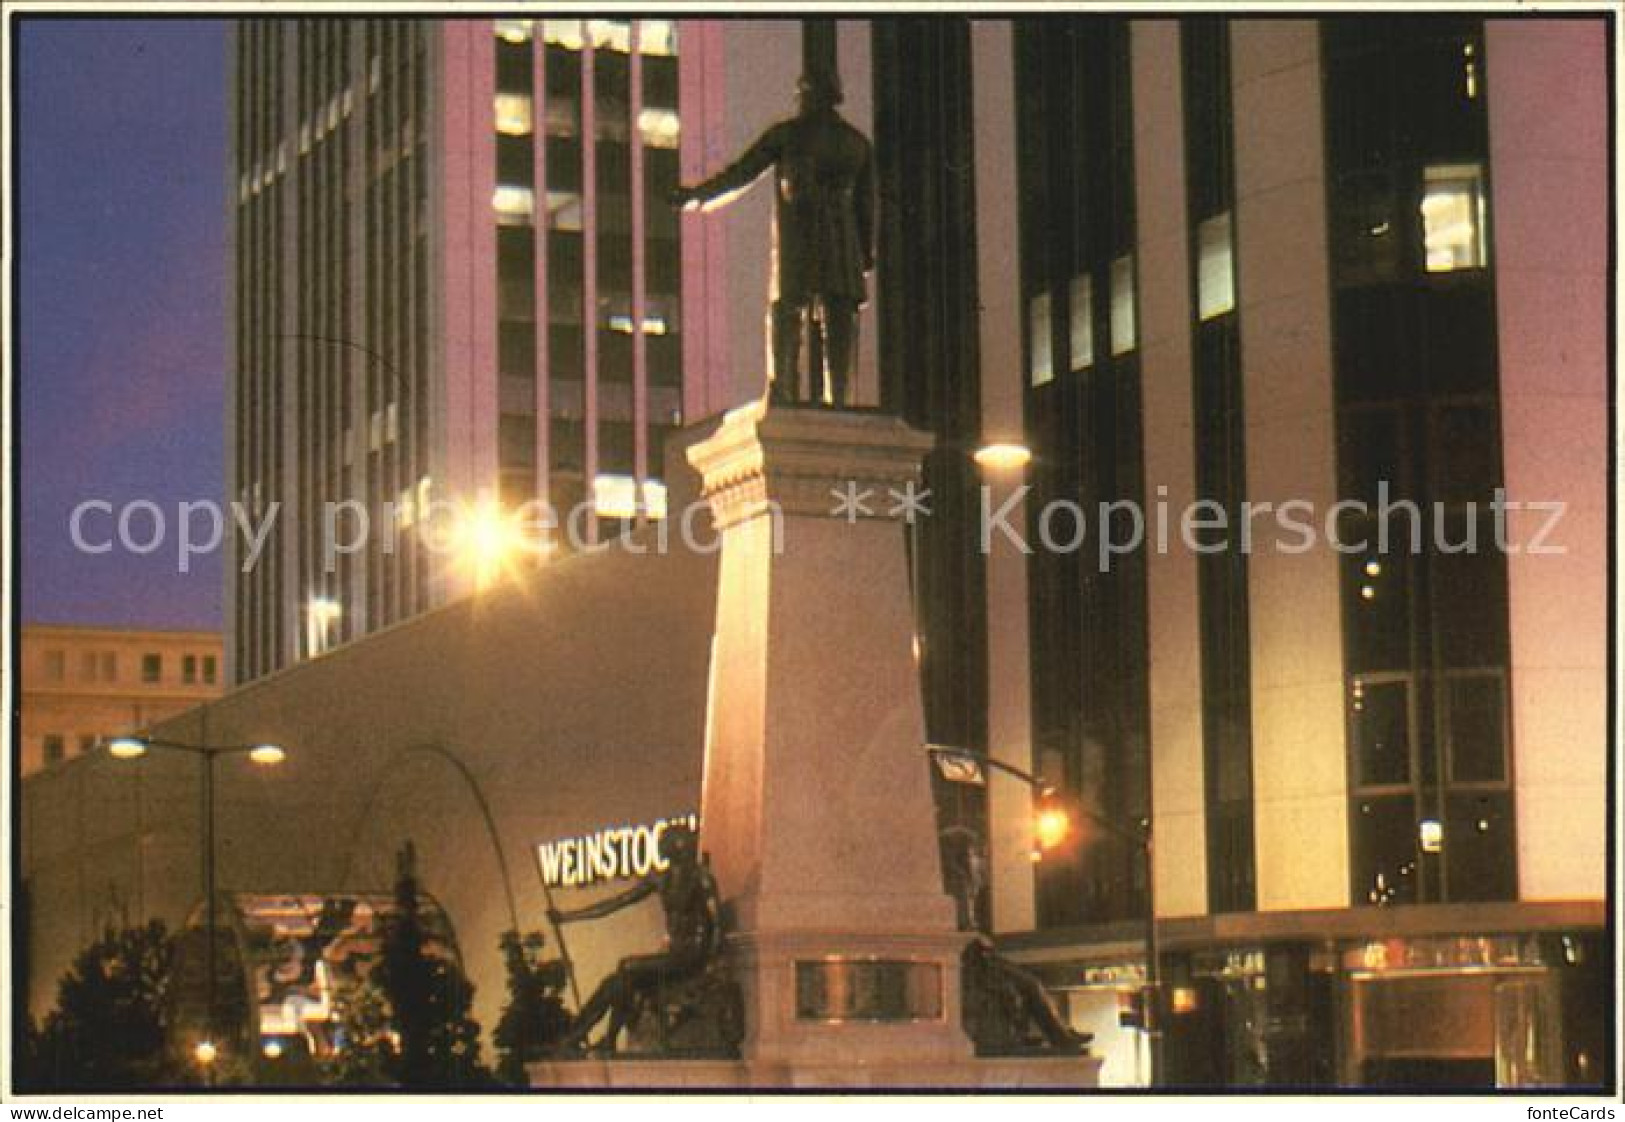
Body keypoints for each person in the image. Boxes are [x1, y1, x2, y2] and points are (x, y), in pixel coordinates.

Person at [670, 72, 875, 408]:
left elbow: (740, 175)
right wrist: (865, 254)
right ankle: (839, 398)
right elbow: (867, 209)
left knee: (787, 313)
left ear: (807, 97)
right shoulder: (855, 143)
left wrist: (696, 196)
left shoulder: (789, 135)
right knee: (837, 319)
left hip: (800, 240)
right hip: (842, 246)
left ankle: (783, 391)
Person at [547, 824, 722, 1054]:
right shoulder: (661, 879)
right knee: (619, 981)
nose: (661, 846)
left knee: (626, 968)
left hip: (692, 954)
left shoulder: (701, 878)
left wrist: (714, 963)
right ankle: (586, 1036)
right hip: (673, 954)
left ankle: (589, 1036)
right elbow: (619, 902)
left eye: (666, 842)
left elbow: (717, 922)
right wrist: (568, 917)